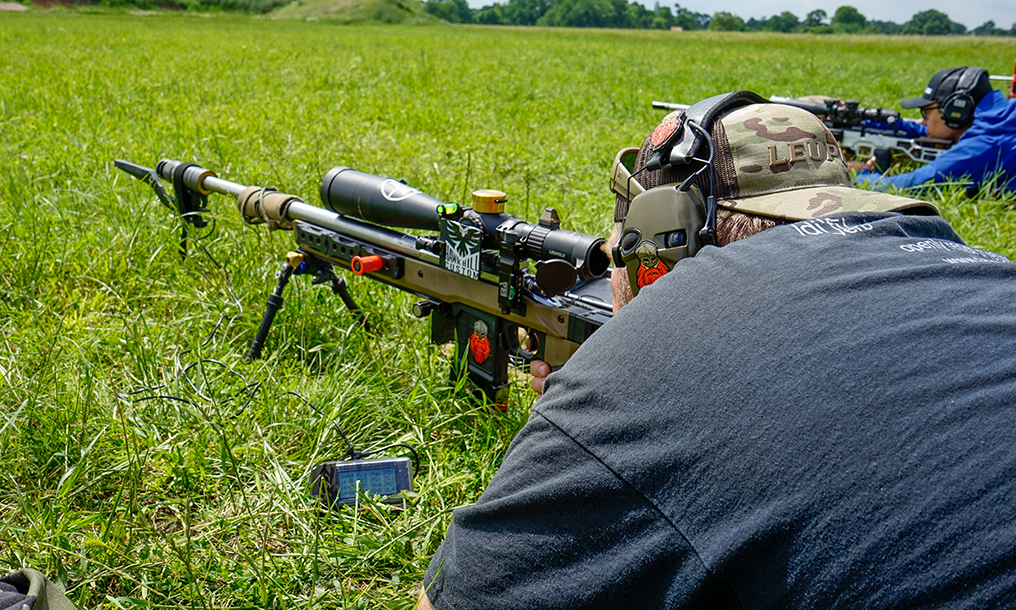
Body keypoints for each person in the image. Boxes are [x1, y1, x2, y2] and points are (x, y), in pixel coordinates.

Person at [418, 93, 1016, 609]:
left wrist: (597, 406)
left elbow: (459, 599)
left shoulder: (654, 367)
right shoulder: (986, 272)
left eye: (619, 250)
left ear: (659, 238)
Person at [852, 66, 1016, 194]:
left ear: (954, 111)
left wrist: (863, 174)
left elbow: (908, 186)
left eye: (927, 113)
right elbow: (923, 130)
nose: (923, 122)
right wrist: (862, 121)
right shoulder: (997, 121)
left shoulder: (987, 143)